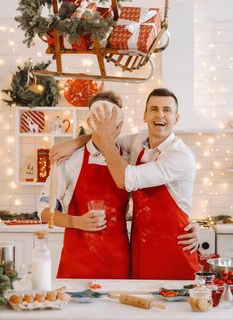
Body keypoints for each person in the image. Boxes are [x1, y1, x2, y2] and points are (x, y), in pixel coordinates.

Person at [50, 88, 200, 280]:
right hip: (140, 250)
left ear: (176, 118)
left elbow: (125, 178)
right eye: (154, 109)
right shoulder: (138, 141)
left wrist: (101, 138)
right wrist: (74, 142)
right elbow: (102, 138)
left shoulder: (180, 156)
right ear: (145, 115)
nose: (160, 114)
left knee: (177, 307)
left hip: (174, 246)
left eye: (167, 110)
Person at [38, 91, 130, 279]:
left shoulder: (130, 159)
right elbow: (45, 212)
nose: (104, 127)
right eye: (99, 120)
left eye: (110, 121)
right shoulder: (70, 159)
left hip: (118, 263)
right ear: (89, 123)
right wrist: (76, 221)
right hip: (77, 265)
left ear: (120, 127)